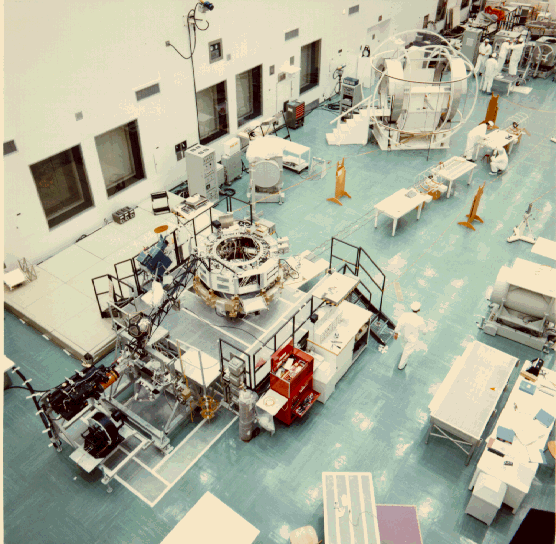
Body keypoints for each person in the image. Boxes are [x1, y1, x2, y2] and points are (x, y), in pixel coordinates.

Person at [394, 302, 427, 370]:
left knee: (404, 346)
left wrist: (396, 333)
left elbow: (399, 324)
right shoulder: (420, 320)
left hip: (404, 335)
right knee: (407, 351)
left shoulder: (404, 315)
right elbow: (424, 332)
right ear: (419, 310)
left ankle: (403, 355)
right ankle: (401, 366)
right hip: (412, 339)